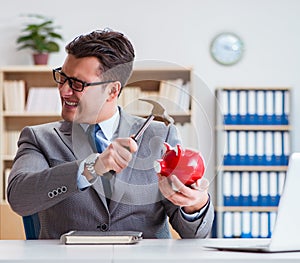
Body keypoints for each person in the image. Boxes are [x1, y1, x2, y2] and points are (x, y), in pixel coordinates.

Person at [7, 28, 214, 239]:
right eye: (62, 77)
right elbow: (20, 198)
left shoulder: (160, 136)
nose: (63, 90)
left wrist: (195, 205)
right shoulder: (39, 138)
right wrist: (91, 168)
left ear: (113, 91)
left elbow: (195, 234)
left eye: (77, 83)